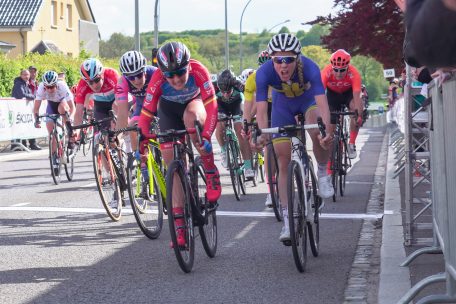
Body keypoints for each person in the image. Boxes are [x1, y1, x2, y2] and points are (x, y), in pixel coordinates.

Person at [138, 41, 221, 248]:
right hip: (168, 110)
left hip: (194, 104)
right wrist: (144, 137)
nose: (175, 79)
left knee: (192, 119)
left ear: (188, 66)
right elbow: (146, 114)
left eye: (180, 73)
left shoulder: (199, 70)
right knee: (172, 168)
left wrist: (207, 136)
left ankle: (210, 170)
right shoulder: (157, 79)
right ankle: (180, 225)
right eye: (170, 75)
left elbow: (212, 108)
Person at [254, 33, 333, 242]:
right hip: (283, 107)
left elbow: (323, 105)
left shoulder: (310, 68)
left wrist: (327, 131)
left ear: (297, 58)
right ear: (272, 60)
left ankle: (323, 172)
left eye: (288, 59)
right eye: (278, 60)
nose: (283, 65)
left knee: (316, 130)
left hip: (308, 103)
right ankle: (288, 220)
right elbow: (261, 112)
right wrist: (262, 133)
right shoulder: (263, 73)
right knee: (282, 160)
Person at [243, 49, 275, 207]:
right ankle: (271, 191)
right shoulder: (253, 79)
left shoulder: (280, 76)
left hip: (282, 105)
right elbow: (250, 106)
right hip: (265, 108)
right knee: (269, 148)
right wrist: (246, 124)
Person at [321, 49, 363, 159]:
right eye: (336, 70)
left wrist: (358, 115)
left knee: (356, 109)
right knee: (330, 127)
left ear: (347, 67)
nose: (338, 73)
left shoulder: (354, 73)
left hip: (348, 94)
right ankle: (330, 166)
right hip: (332, 95)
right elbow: (319, 95)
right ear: (332, 67)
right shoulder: (326, 72)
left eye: (342, 70)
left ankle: (352, 143)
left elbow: (357, 96)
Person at [115, 50, 158, 155]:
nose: (136, 80)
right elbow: (122, 114)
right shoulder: (122, 82)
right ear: (126, 76)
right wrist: (115, 135)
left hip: (159, 102)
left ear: (144, 70)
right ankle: (139, 158)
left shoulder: (155, 73)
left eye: (139, 75)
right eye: (131, 77)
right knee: (132, 126)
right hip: (142, 105)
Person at [215, 69, 254, 178]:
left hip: (237, 104)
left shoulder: (238, 84)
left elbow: (247, 98)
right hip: (222, 106)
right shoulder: (214, 86)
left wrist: (246, 115)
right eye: (223, 92)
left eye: (228, 91)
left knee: (240, 131)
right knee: (219, 126)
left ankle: (248, 166)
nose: (226, 94)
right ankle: (224, 151)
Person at [73, 58, 120, 142]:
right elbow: (78, 112)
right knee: (101, 135)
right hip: (100, 105)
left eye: (97, 80)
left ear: (102, 74)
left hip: (115, 100)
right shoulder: (82, 84)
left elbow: (121, 102)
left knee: (118, 126)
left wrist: (118, 119)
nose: (94, 85)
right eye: (90, 82)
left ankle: (127, 149)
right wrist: (76, 131)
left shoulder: (111, 74)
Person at [33, 71, 75, 161]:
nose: (49, 90)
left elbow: (72, 107)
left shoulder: (62, 86)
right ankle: (54, 155)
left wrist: (70, 119)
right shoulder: (41, 88)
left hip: (62, 103)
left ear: (56, 84)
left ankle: (70, 134)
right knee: (51, 132)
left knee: (62, 109)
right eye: (47, 87)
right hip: (51, 105)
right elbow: (36, 107)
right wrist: (36, 119)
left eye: (51, 87)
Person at [11, 69, 41, 150]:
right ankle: (18, 145)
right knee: (20, 127)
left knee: (29, 126)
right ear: (21, 75)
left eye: (27, 75)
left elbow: (29, 94)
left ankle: (32, 144)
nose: (26, 76)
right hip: (18, 110)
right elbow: (22, 95)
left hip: (24, 110)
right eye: (24, 75)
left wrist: (32, 96)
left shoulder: (26, 84)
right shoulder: (18, 84)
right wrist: (34, 97)